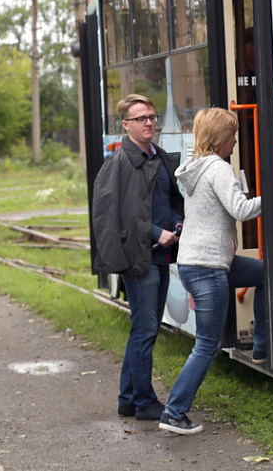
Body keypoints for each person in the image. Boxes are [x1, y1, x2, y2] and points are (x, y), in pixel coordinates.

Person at [160, 107, 265, 435]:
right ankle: (174, 412)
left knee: (265, 273)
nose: (236, 141)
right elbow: (241, 210)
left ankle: (262, 344)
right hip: (208, 266)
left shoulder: (194, 167)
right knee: (207, 345)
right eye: (232, 135)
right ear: (220, 139)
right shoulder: (218, 169)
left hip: (199, 261)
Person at [92, 94, 183, 422]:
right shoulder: (120, 162)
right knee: (145, 329)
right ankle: (144, 402)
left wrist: (176, 222)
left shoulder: (159, 158)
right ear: (125, 125)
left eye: (152, 117)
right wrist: (156, 232)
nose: (149, 123)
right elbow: (121, 214)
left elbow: (168, 199)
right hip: (138, 256)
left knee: (145, 328)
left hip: (161, 255)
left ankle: (128, 399)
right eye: (141, 118)